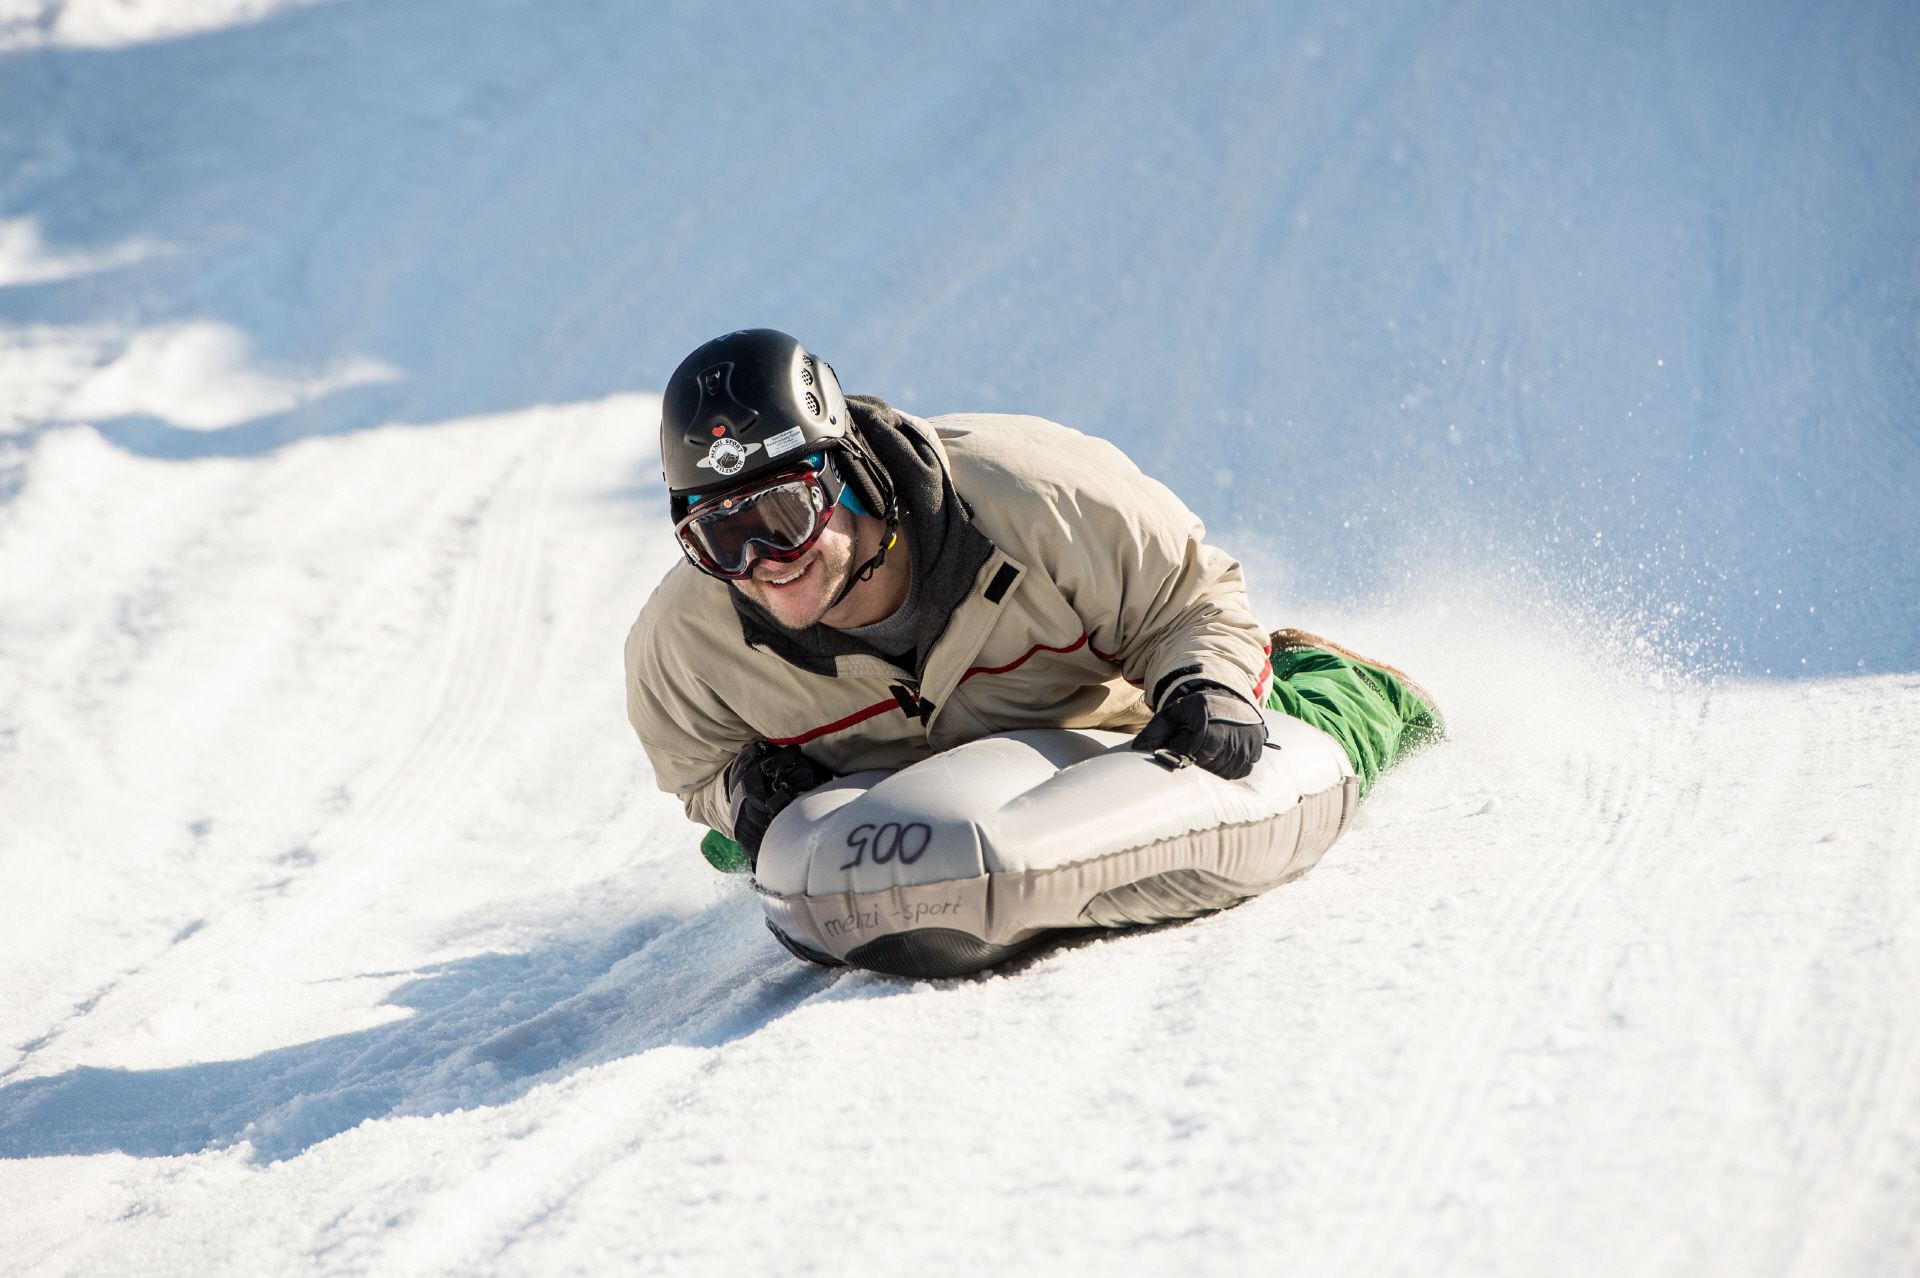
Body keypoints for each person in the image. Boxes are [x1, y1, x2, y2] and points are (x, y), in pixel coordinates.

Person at [625, 328, 1442, 876]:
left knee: (1259, 733)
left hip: (1098, 722)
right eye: (719, 538)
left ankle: (1342, 682)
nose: (762, 563)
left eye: (784, 518)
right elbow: (696, 769)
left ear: (848, 478)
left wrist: (1208, 685)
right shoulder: (685, 643)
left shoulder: (1038, 498)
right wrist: (739, 793)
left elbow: (1190, 599)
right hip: (882, 778)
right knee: (735, 849)